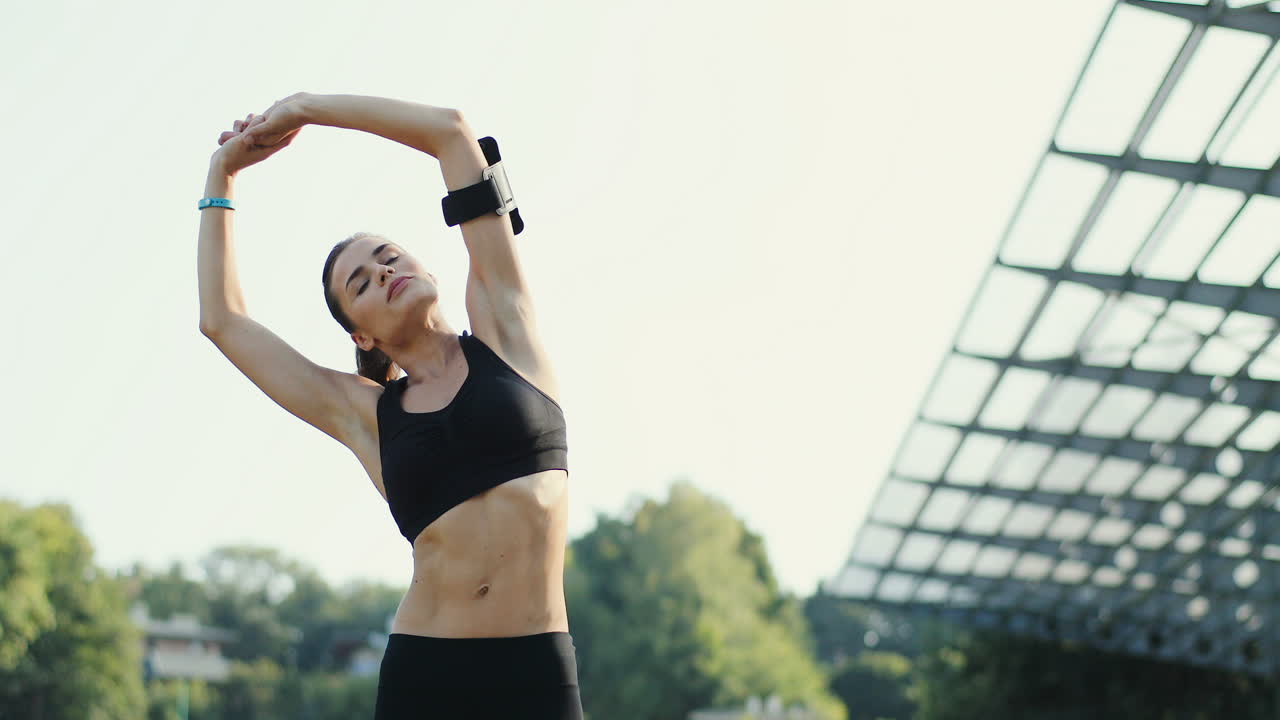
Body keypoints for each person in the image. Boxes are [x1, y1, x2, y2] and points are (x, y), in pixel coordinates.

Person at [198, 93, 582, 718]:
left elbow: (452, 134)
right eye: (361, 283)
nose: (382, 272)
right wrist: (223, 174)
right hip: (428, 674)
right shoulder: (366, 415)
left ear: (424, 265)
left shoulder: (507, 331)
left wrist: (305, 109)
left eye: (388, 257)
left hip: (538, 670)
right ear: (362, 335)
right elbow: (223, 321)